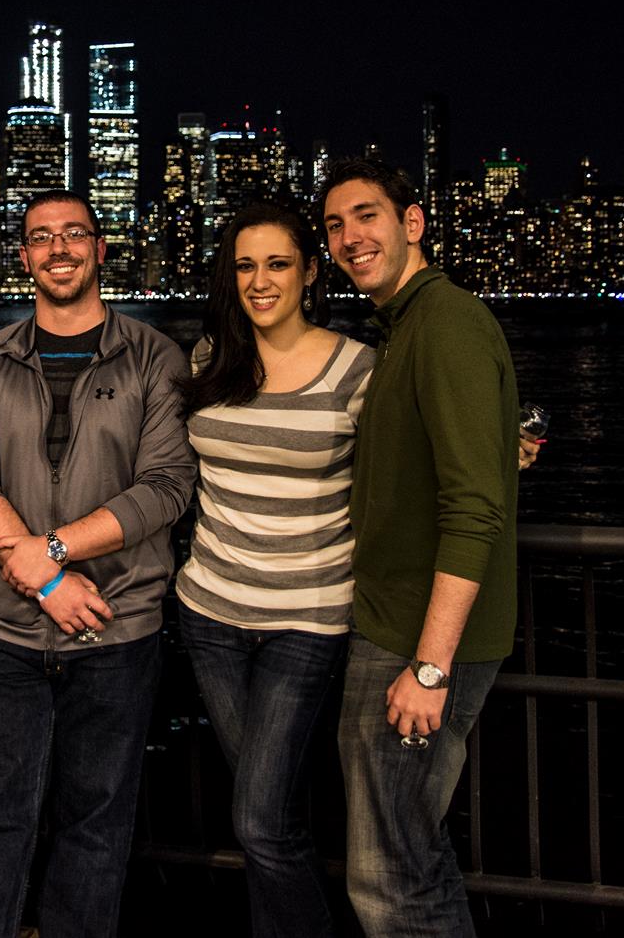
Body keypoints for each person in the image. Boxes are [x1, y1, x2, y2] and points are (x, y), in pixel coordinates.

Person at [0, 190, 197, 938]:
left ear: (101, 248)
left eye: (73, 234)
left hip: (116, 630)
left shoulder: (156, 356)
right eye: (40, 237)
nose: (58, 248)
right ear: (21, 256)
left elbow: (166, 487)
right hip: (1, 632)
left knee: (96, 825)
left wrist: (50, 550)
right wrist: (43, 578)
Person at [321, 156, 520, 937]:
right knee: (406, 851)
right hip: (396, 627)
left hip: (418, 641)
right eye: (335, 225)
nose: (348, 237)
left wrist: (431, 666)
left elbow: (473, 508)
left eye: (366, 215)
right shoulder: (407, 326)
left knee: (389, 873)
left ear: (413, 223)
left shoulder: (446, 322)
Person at [175, 200, 374, 938]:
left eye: (279, 263)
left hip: (307, 619)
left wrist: (504, 443)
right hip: (210, 614)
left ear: (312, 270)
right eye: (246, 265)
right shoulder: (208, 357)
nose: (261, 280)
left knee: (258, 817)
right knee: (271, 818)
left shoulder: (358, 367)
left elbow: (421, 451)